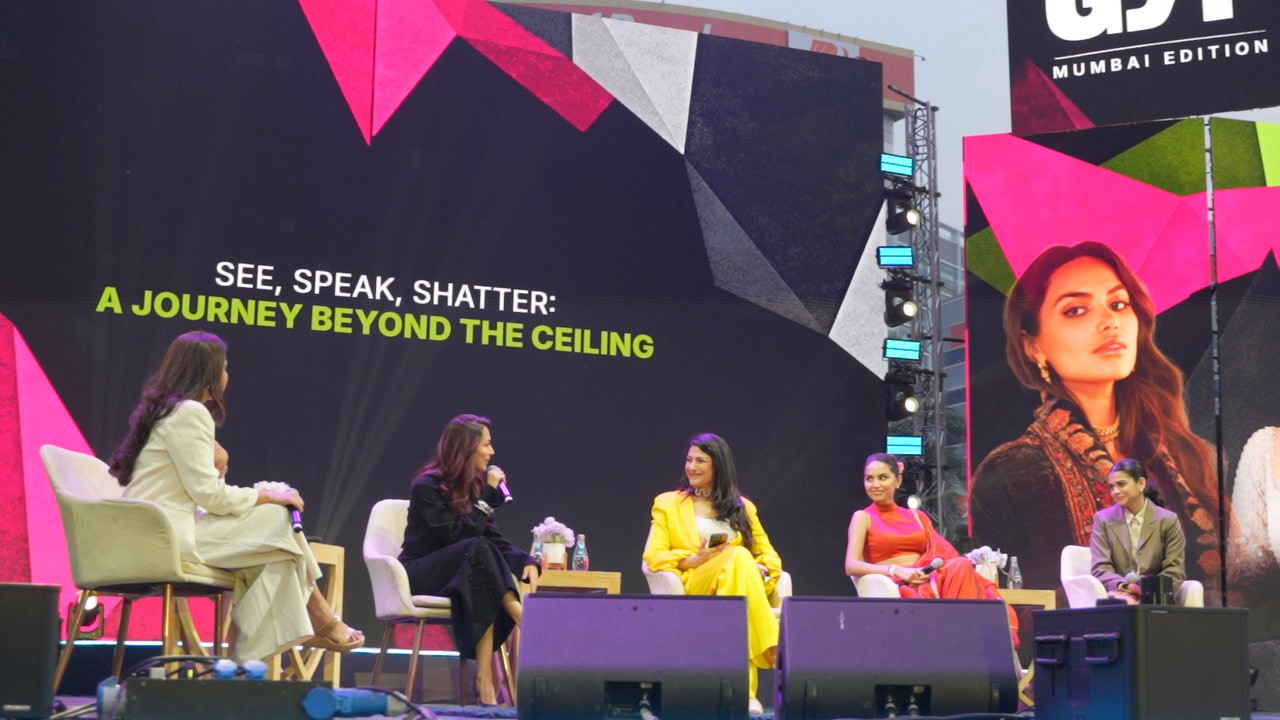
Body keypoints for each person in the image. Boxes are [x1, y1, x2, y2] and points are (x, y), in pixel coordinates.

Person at [970, 241, 1223, 594]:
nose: (1110, 323)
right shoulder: (1016, 472)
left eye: (1118, 304)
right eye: (1076, 310)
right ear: (1033, 346)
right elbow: (1018, 605)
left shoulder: (1181, 452)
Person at [107, 331, 364, 663]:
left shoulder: (167, 412)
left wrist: (224, 468)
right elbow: (210, 496)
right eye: (225, 367)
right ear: (209, 372)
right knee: (278, 522)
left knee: (275, 553)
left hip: (159, 531)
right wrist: (267, 496)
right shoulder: (190, 413)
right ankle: (291, 634)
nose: (227, 375)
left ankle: (298, 628)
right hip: (166, 537)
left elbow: (194, 490)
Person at [399, 414, 538, 707]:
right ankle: (523, 618)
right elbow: (455, 536)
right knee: (476, 550)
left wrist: (526, 560)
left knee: (481, 572)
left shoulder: (472, 488)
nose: (492, 452)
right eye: (486, 445)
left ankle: (485, 682)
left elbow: (490, 538)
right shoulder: (426, 487)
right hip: (421, 573)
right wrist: (486, 499)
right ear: (467, 448)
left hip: (464, 573)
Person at [642, 433, 782, 716]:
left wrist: (760, 568)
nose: (691, 467)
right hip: (694, 583)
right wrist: (694, 558)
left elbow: (770, 556)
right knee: (739, 555)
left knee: (740, 561)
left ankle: (739, 687)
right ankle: (765, 659)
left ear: (718, 466)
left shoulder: (743, 508)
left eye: (700, 461)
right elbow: (653, 556)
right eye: (689, 460)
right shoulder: (668, 503)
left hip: (738, 583)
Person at [845, 454, 1018, 642]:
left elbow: (944, 553)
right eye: (869, 479)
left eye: (882, 477)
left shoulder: (917, 516)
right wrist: (897, 570)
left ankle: (963, 639)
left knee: (960, 565)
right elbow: (851, 565)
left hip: (926, 577)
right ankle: (962, 641)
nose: (875, 484)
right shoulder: (863, 517)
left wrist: (929, 571)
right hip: (899, 583)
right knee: (959, 567)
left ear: (898, 481)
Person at [1090, 459, 1186, 603]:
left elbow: (1175, 570)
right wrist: (1127, 587)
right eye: (1111, 487)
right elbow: (1101, 569)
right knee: (1126, 603)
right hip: (1120, 594)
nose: (1115, 491)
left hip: (1157, 597)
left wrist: (1148, 591)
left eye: (1121, 484)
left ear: (1141, 483)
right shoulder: (1103, 519)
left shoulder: (1168, 520)